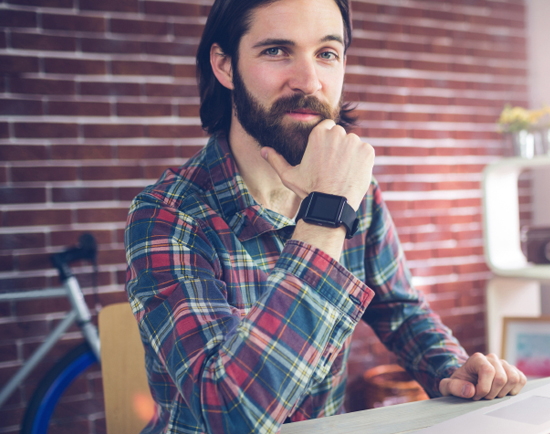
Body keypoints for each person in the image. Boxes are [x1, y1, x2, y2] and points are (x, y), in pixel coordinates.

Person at [123, 0, 527, 432]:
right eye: (276, 50)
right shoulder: (168, 216)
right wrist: (326, 215)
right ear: (225, 66)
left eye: (326, 53)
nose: (310, 81)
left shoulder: (356, 191)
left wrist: (451, 369)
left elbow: (400, 310)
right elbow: (230, 416)